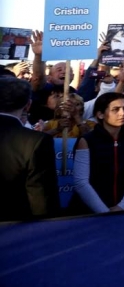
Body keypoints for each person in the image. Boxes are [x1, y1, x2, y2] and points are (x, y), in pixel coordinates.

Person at [69, 92, 124, 214]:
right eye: (115, 109)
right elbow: (81, 183)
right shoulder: (87, 140)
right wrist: (104, 212)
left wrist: (122, 206)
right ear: (100, 114)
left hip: (122, 208)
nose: (122, 113)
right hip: (88, 210)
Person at [0, 76, 60, 221]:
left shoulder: (36, 141)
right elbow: (41, 197)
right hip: (14, 226)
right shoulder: (36, 141)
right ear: (28, 105)